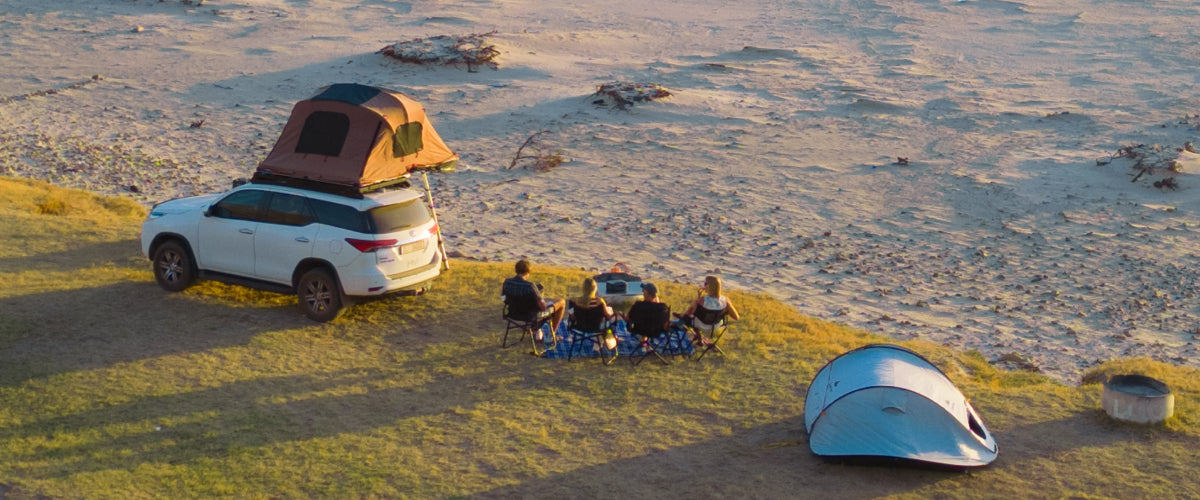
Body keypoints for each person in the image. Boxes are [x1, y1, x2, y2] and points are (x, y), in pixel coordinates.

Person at [501, 259, 565, 342]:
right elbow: (542, 307)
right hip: (530, 316)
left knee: (541, 302)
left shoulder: (507, 282)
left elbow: (503, 298)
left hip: (513, 313)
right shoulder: (530, 286)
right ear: (527, 272)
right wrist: (548, 306)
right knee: (561, 302)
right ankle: (550, 336)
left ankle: (536, 330)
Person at [570, 277, 617, 350]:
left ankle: (598, 344)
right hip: (596, 327)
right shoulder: (599, 302)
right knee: (608, 319)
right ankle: (601, 343)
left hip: (580, 326)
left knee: (601, 318)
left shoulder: (576, 301)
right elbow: (608, 317)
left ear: (583, 288)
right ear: (594, 289)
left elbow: (573, 317)